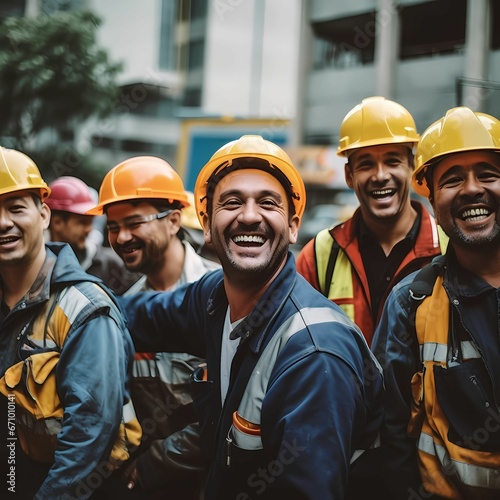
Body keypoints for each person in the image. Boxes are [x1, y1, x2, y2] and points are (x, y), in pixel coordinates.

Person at [116, 134, 384, 499]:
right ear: (207, 224)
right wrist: (66, 302)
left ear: (292, 226)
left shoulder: (315, 352)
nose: (249, 215)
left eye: (268, 203)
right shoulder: (214, 298)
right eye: (232, 202)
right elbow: (137, 317)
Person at [372, 107, 500, 499]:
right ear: (431, 201)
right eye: (453, 179)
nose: (472, 189)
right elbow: (388, 436)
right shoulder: (411, 303)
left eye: (487, 174)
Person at [0, 147, 139, 499]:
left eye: (16, 208)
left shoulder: (84, 310)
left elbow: (89, 436)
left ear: (44, 214)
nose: (3, 222)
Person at [87, 156, 220, 498]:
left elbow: (234, 407)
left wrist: (155, 465)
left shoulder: (220, 298)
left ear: (174, 220)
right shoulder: (125, 310)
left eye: (134, 222)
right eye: (113, 226)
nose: (121, 237)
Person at [296, 96, 448, 346]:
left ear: (411, 167)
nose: (380, 175)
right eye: (366, 164)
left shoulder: (449, 247)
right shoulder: (319, 255)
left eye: (392, 161)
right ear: (349, 175)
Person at [45, 175, 141, 295]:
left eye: (91, 222)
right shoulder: (33, 267)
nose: (89, 229)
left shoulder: (111, 265)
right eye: (82, 222)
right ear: (57, 222)